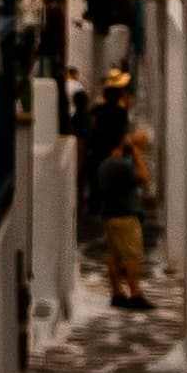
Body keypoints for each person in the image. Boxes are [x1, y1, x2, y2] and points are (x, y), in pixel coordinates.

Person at [78, 65, 152, 307]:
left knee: (113, 250)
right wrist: (134, 151)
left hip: (100, 165)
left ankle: (117, 293)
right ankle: (135, 294)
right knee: (131, 252)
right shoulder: (119, 115)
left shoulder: (98, 110)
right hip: (116, 163)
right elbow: (141, 175)